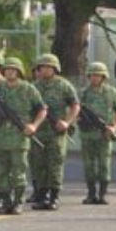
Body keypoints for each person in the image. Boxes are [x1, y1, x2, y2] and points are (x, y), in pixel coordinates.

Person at [30, 54, 79, 211]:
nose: (45, 69)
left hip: (55, 132)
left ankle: (54, 197)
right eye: (43, 66)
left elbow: (75, 105)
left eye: (49, 67)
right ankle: (41, 196)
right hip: (38, 132)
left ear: (55, 69)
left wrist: (67, 122)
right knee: (39, 165)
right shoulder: (33, 87)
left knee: (55, 164)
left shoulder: (64, 85)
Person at [0, 58, 46, 215]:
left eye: (13, 69)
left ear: (19, 72)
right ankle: (6, 202)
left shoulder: (28, 89)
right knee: (1, 172)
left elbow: (42, 109)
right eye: (7, 69)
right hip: (1, 137)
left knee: (19, 172)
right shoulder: (0, 88)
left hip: (19, 138)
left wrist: (34, 125)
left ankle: (18, 202)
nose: (10, 72)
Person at [78, 62, 116, 205]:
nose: (95, 78)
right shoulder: (82, 93)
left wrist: (114, 127)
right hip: (87, 135)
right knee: (89, 165)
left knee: (104, 164)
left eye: (98, 75)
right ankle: (91, 193)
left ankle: (102, 194)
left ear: (104, 77)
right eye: (92, 75)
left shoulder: (111, 92)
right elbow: (75, 109)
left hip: (105, 134)